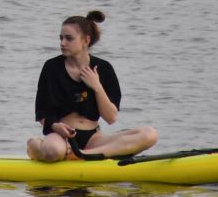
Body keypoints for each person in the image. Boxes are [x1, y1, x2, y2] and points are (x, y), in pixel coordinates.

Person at [27, 11, 156, 161]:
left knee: (149, 134)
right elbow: (42, 113)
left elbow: (111, 118)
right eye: (61, 38)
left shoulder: (104, 68)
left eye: (69, 38)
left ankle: (84, 155)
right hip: (61, 136)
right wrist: (55, 126)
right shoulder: (51, 67)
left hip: (93, 139)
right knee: (53, 151)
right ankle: (35, 145)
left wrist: (97, 86)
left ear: (86, 40)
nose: (62, 43)